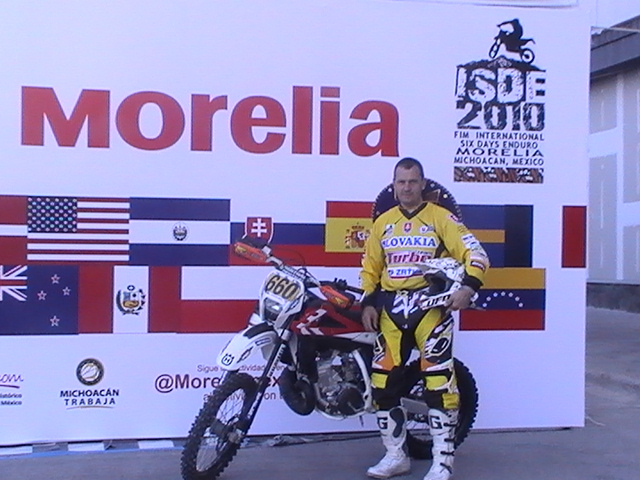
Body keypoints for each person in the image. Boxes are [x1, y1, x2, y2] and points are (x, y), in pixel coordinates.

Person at [360, 157, 489, 480]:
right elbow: (370, 268)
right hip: (391, 310)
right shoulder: (383, 222)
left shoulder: (440, 217)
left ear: (423, 184)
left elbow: (476, 254)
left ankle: (442, 462)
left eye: (413, 181)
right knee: (383, 384)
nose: (407, 188)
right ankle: (396, 456)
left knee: (438, 383)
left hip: (430, 309)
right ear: (393, 186)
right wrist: (368, 302)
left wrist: (468, 287)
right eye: (401, 182)